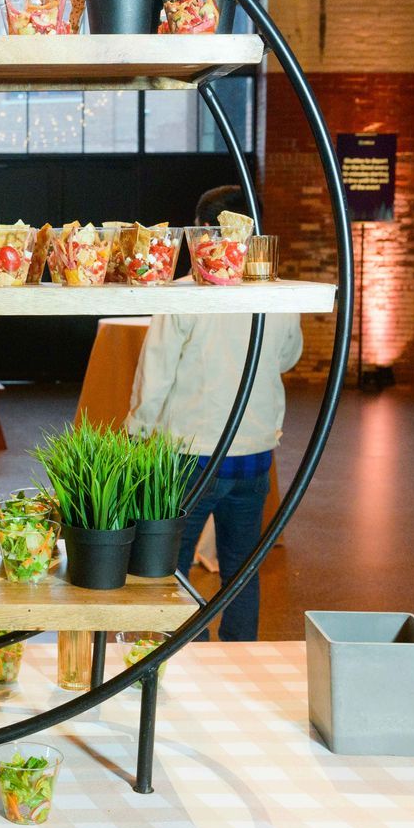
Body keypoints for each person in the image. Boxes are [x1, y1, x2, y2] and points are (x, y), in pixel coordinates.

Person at [127, 185, 303, 642]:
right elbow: (288, 358)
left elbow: (156, 371)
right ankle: (239, 653)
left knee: (173, 566)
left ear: (204, 229)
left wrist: (137, 430)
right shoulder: (278, 292)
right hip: (255, 453)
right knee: (242, 568)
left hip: (190, 455)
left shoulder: (185, 293)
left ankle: (189, 655)